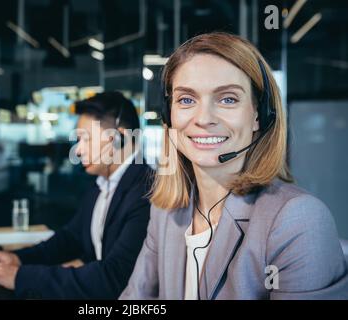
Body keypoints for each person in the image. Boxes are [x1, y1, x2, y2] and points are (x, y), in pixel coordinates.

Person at [120, 32, 348, 300]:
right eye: (186, 100)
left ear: (258, 116)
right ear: (168, 115)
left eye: (228, 99)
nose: (204, 118)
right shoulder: (166, 213)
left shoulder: (297, 220)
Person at [0, 91, 153, 299]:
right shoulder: (101, 185)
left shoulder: (146, 193)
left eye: (86, 139)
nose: (77, 151)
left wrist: (21, 277)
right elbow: (70, 238)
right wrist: (16, 259)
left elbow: (112, 278)